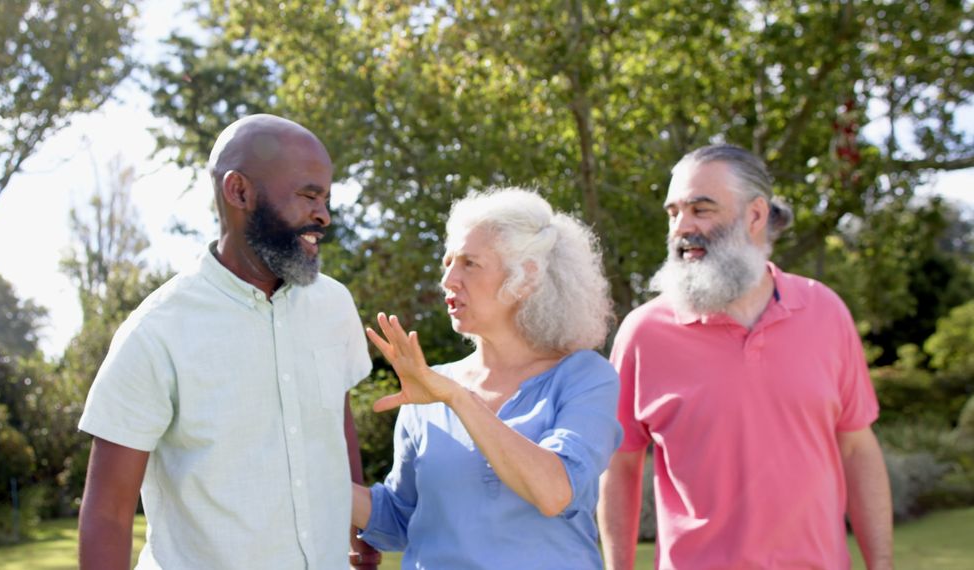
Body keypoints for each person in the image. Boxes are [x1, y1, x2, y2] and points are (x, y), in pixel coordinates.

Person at [77, 114, 381, 569]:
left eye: (326, 198)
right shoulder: (156, 332)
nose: (324, 216)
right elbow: (108, 513)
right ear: (239, 191)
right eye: (308, 196)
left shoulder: (334, 305)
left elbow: (335, 423)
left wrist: (361, 530)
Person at [598, 144, 893, 569]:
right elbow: (620, 466)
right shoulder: (644, 332)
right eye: (673, 212)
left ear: (755, 215)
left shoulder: (825, 311)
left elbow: (857, 449)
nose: (682, 227)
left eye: (701, 209)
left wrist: (881, 564)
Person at [352, 187, 623, 569]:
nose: (448, 279)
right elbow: (400, 519)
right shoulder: (432, 389)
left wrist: (460, 399)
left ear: (525, 277)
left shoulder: (585, 377)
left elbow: (554, 491)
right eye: (447, 262)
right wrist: (311, 475)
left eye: (469, 263)